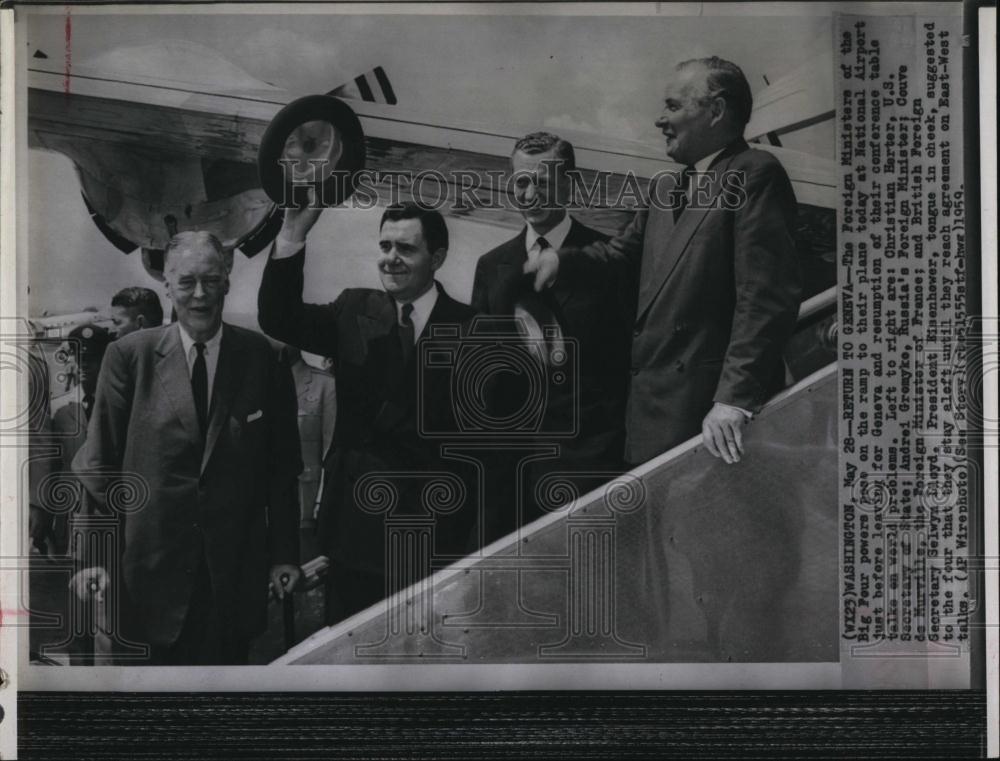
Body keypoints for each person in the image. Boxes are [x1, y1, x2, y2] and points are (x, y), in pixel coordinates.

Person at [526, 57, 802, 467]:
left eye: (673, 106)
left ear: (716, 111)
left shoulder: (755, 173)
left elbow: (764, 298)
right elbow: (619, 256)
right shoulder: (667, 187)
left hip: (708, 420)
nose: (660, 120)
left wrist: (733, 400)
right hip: (647, 415)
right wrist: (563, 263)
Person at [70, 231, 302, 665]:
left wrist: (284, 556)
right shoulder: (128, 357)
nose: (200, 295)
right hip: (146, 583)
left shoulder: (262, 358)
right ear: (167, 286)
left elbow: (282, 471)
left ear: (228, 281)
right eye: (187, 282)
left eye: (211, 281)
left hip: (231, 582)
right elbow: (99, 466)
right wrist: (93, 558)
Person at [258, 201, 476, 624]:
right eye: (385, 245)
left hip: (433, 537)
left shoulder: (473, 329)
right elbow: (278, 316)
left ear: (437, 258)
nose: (390, 258)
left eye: (405, 249)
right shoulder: (353, 309)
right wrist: (292, 234)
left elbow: (484, 451)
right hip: (354, 532)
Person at [471, 131, 632, 535]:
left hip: (588, 467)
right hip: (510, 477)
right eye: (520, 182)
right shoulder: (491, 266)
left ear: (571, 185)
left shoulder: (608, 258)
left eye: (541, 181)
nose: (528, 193)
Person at [283, 346, 337, 561]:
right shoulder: (258, 382)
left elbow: (331, 449)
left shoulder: (325, 385)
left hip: (307, 505)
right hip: (264, 510)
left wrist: (321, 502)